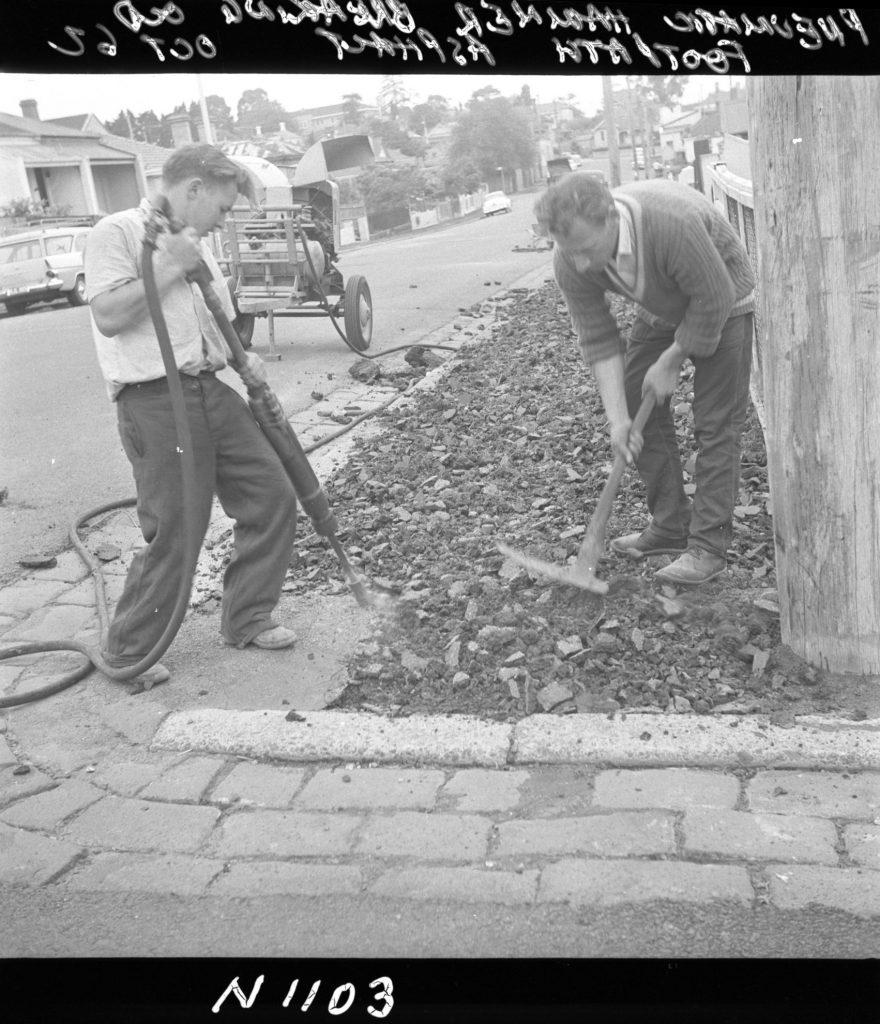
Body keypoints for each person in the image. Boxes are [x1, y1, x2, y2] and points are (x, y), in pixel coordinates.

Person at [85, 144, 299, 687]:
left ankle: (246, 616)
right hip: (153, 401)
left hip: (208, 389)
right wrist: (168, 265)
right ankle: (130, 650)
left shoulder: (195, 245)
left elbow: (211, 326)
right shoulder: (117, 232)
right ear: (195, 189)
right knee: (179, 525)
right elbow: (109, 315)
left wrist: (241, 359)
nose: (225, 219)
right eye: (223, 208)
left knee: (271, 493)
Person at [534, 172, 756, 586]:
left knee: (716, 424)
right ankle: (670, 525)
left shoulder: (673, 224)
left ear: (612, 220)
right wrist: (617, 420)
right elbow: (599, 338)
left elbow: (715, 297)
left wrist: (673, 358)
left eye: (586, 249)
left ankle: (708, 549)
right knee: (637, 402)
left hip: (723, 296)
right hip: (661, 300)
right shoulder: (570, 258)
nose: (580, 264)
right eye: (569, 251)